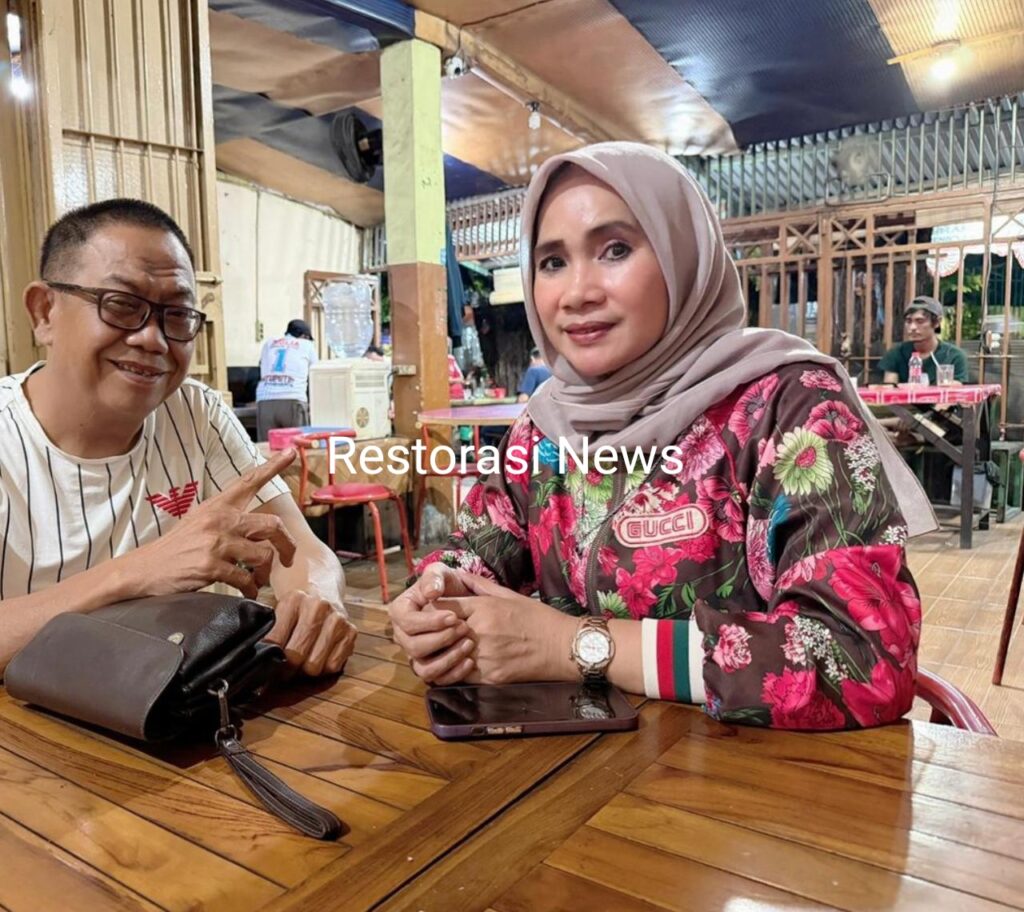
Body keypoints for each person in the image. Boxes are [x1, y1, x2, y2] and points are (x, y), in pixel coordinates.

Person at [390, 143, 936, 731]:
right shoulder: (543, 427)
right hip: (565, 773)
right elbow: (479, 546)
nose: (577, 292)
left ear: (683, 255)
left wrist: (574, 646)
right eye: (552, 262)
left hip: (750, 775)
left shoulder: (789, 406)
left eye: (615, 249)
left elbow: (863, 657)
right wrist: (435, 594)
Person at [0, 198, 356, 675]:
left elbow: (302, 550)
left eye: (177, 316)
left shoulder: (196, 413)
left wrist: (316, 598)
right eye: (121, 304)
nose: (153, 338)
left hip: (184, 703)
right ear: (45, 312)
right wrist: (136, 571)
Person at [878, 297, 968, 385]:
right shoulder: (896, 353)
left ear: (937, 322)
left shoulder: (953, 356)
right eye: (908, 321)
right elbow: (889, 389)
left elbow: (956, 391)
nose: (912, 327)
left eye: (920, 321)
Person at [255, 318, 318, 442]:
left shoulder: (268, 343)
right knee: (298, 446)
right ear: (304, 336)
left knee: (267, 447)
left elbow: (262, 365)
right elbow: (315, 374)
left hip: (265, 400)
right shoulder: (307, 345)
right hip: (293, 399)